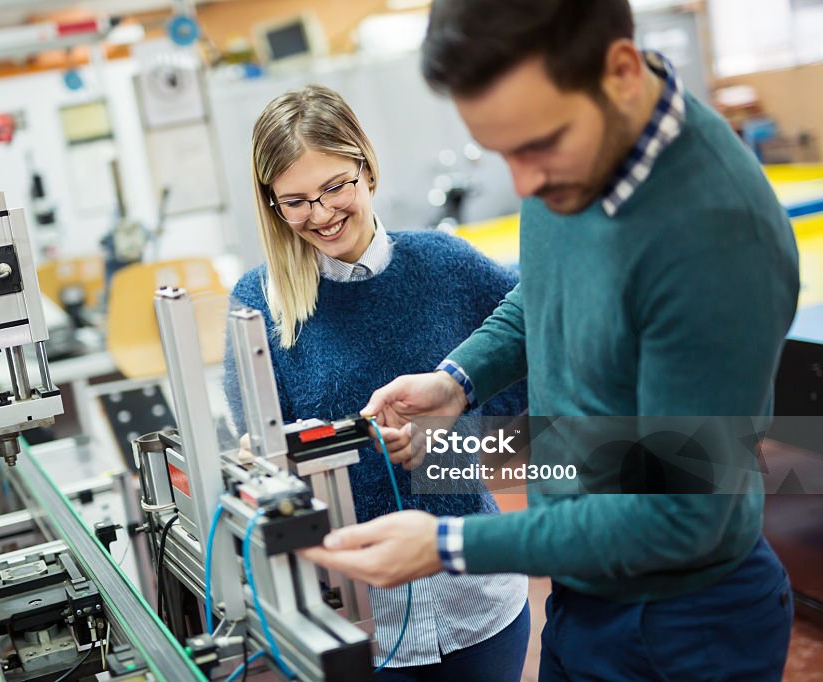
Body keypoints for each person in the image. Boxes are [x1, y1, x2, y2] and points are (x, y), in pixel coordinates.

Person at [302, 1, 800, 681]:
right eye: (502, 151)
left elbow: (682, 517)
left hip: (684, 625)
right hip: (584, 593)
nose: (523, 184)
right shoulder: (574, 148)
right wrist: (458, 381)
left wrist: (448, 544)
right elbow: (544, 291)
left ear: (621, 71)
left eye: (535, 147)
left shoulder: (714, 239)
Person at [222, 85, 530, 681]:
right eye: (296, 200)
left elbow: (525, 387)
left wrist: (446, 443)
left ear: (365, 167)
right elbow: (266, 458)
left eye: (335, 186)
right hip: (357, 618)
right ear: (272, 204)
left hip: (478, 598)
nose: (320, 213)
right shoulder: (259, 306)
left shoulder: (447, 264)